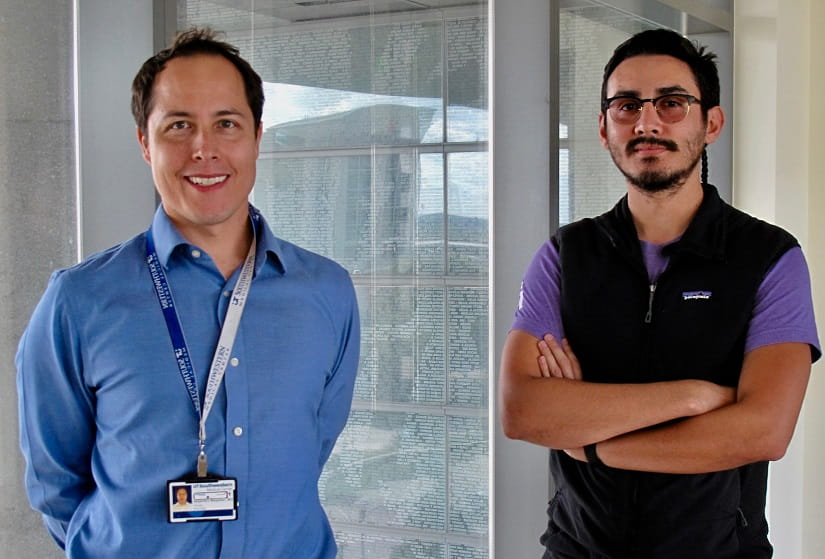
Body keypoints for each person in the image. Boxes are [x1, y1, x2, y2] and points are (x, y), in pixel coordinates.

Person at [16, 28, 360, 558]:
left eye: (227, 124)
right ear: (144, 142)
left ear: (257, 137)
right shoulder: (78, 303)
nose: (205, 149)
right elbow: (55, 483)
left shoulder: (327, 293)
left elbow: (312, 449)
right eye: (179, 126)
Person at [499, 28, 820, 558]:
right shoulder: (566, 255)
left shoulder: (768, 257)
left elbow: (763, 431)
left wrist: (591, 443)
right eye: (626, 106)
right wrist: (693, 397)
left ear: (710, 122)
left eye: (671, 103)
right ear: (604, 129)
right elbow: (523, 411)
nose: (646, 121)